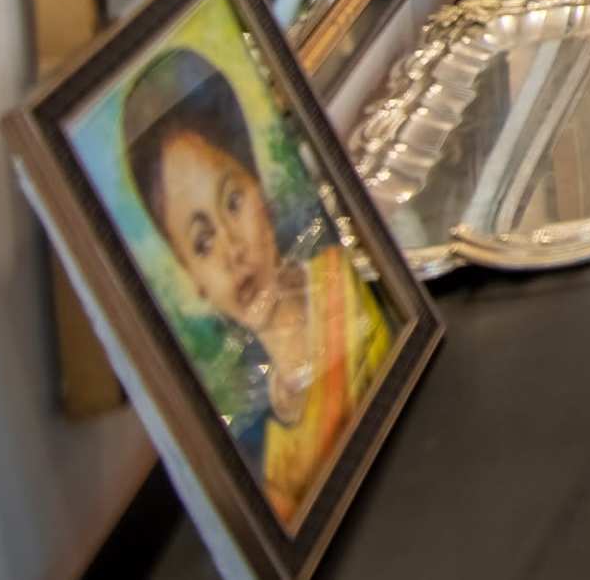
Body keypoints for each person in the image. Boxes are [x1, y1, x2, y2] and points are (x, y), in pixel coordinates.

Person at [119, 44, 393, 529]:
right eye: (201, 242)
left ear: (261, 195)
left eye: (232, 201)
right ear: (193, 281)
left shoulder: (351, 293)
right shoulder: (268, 466)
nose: (231, 247)